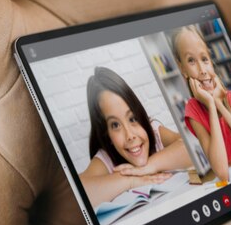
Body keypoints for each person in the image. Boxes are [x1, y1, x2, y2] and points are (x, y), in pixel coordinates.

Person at [79, 66, 192, 208]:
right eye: (115, 125)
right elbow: (77, 193)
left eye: (132, 119)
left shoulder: (155, 133)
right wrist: (130, 180)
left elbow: (192, 145)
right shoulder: (106, 158)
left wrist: (149, 167)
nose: (130, 135)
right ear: (106, 134)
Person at [171, 25, 231, 181]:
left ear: (211, 60)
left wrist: (220, 104)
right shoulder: (192, 110)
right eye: (191, 61)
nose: (202, 70)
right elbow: (222, 172)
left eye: (204, 59)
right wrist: (211, 105)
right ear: (182, 69)